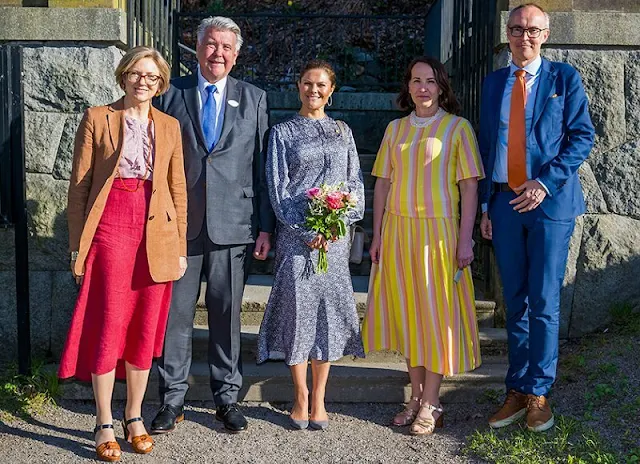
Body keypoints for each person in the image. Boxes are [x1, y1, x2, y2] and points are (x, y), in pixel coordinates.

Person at [58, 46, 187, 461]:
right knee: (110, 322)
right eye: (136, 73)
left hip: (157, 231)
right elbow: (78, 188)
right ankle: (103, 420)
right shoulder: (98, 117)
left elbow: (178, 189)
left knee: (144, 327)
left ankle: (134, 416)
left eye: (151, 77)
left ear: (161, 82)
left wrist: (180, 247)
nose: (143, 82)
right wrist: (78, 246)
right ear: (123, 76)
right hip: (111, 224)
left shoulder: (169, 125)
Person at [151, 16, 275, 434]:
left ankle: (227, 399)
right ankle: (172, 400)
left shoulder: (254, 98)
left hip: (234, 227)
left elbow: (261, 169)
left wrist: (265, 227)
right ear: (196, 46)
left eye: (225, 46)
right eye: (210, 44)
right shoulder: (171, 93)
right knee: (176, 316)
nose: (217, 53)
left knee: (226, 316)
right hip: (180, 226)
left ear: (236, 55)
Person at [478, 3, 594, 433]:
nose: (523, 36)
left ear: (545, 35)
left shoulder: (564, 79)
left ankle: (540, 393)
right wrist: (488, 205)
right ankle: (517, 388)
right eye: (515, 29)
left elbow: (583, 137)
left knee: (544, 301)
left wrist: (544, 183)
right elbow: (489, 146)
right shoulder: (493, 84)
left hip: (548, 203)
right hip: (506, 206)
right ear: (507, 34)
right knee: (516, 300)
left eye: (532, 30)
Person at [362, 56, 484, 435]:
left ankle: (432, 401)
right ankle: (414, 397)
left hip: (439, 235)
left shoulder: (457, 128)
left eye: (430, 81)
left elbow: (469, 187)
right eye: (416, 80)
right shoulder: (395, 129)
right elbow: (381, 183)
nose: (423, 88)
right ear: (408, 86)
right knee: (407, 316)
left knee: (435, 317)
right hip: (398, 233)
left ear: (441, 86)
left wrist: (466, 239)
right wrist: (377, 234)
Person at [257, 60, 365, 430]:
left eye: (320, 85)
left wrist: (341, 221)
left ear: (331, 90)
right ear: (298, 86)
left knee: (328, 315)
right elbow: (278, 188)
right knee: (298, 313)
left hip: (334, 241)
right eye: (307, 83)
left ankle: (320, 398)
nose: (313, 90)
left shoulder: (342, 131)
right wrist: (305, 229)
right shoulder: (283, 132)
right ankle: (300, 395)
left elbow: (355, 183)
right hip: (296, 239)